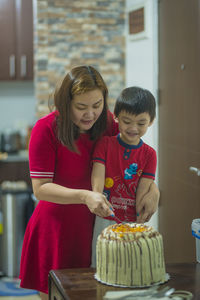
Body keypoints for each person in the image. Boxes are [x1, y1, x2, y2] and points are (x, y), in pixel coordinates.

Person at [19, 66, 159, 300]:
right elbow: (40, 188)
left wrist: (153, 190)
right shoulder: (45, 130)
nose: (90, 114)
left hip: (96, 228)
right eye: (81, 107)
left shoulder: (107, 123)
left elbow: (135, 158)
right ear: (65, 103)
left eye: (97, 105)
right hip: (56, 229)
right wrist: (85, 196)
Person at [91, 86, 158, 267]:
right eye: (127, 121)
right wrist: (97, 197)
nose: (133, 128)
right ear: (116, 117)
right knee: (102, 265)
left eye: (141, 123)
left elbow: (144, 189)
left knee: (132, 266)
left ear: (151, 121)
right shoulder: (105, 144)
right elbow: (98, 174)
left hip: (133, 222)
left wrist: (137, 221)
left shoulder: (149, 154)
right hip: (106, 216)